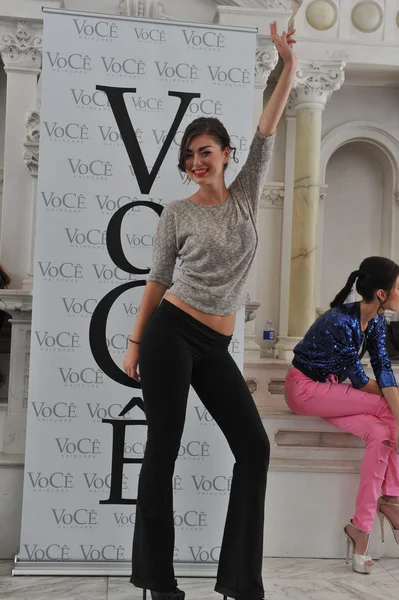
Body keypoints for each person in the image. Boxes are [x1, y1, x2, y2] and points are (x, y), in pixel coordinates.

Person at [123, 22, 297, 600]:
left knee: (253, 447)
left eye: (206, 153)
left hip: (216, 345)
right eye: (190, 156)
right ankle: (158, 581)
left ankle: (240, 583)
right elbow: (157, 281)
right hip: (172, 332)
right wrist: (135, 342)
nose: (197, 162)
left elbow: (268, 123)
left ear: (227, 155)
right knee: (163, 450)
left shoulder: (246, 192)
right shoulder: (176, 212)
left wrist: (288, 64)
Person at [285, 256, 399, 574]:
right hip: (304, 389)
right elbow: (363, 383)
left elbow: (383, 370)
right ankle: (391, 499)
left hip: (329, 391)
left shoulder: (375, 322)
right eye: (398, 287)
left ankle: (360, 530)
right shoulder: (340, 321)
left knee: (381, 434)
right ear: (381, 293)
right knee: (387, 409)